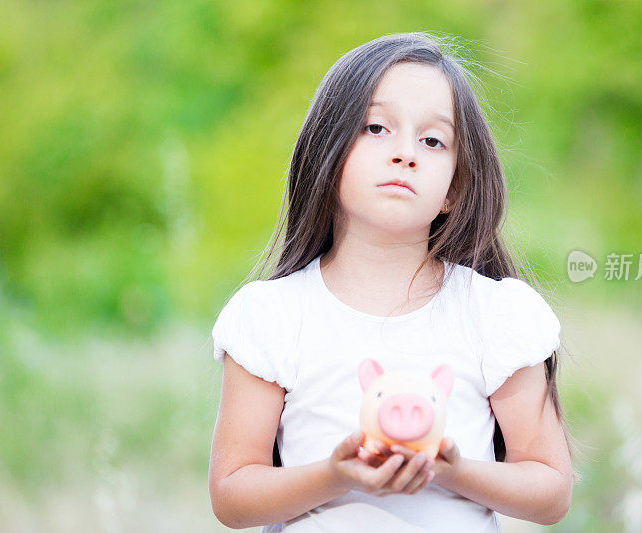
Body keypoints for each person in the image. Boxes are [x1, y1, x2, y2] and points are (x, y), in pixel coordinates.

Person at [208, 31, 575, 532]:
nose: (406, 153)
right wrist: (337, 475)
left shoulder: (496, 314)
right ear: (327, 151)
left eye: (432, 140)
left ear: (454, 188)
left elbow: (551, 491)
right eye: (377, 128)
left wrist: (454, 471)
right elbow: (232, 496)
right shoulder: (272, 314)